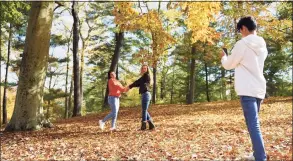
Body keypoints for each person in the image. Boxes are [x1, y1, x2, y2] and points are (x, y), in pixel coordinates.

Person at [219, 16, 267, 161]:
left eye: (241, 30)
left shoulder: (242, 44)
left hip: (247, 89)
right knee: (254, 123)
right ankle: (256, 154)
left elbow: (229, 65)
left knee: (253, 125)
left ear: (244, 28)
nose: (241, 33)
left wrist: (223, 57)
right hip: (259, 88)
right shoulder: (262, 44)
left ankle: (260, 157)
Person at [126, 64, 155, 130]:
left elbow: (138, 82)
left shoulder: (146, 76)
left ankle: (143, 126)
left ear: (147, 69)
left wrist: (129, 87)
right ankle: (151, 125)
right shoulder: (143, 77)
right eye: (143, 68)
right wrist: (130, 87)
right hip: (145, 94)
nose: (144, 69)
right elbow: (137, 82)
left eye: (145, 68)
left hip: (146, 94)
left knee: (144, 110)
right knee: (145, 110)